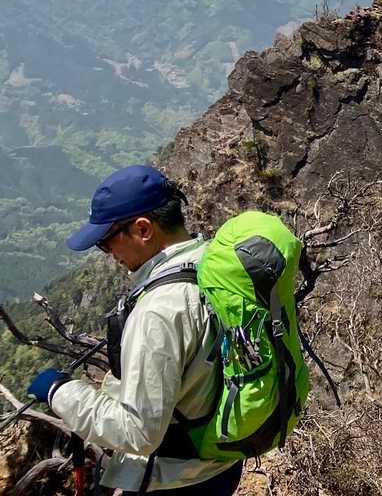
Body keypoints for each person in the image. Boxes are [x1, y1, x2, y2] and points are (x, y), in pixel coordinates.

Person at [25, 165, 240, 495]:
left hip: (177, 478)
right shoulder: (213, 261)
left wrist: (59, 391)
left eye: (106, 242)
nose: (109, 254)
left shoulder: (159, 310)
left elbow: (138, 432)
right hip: (221, 461)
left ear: (143, 229)